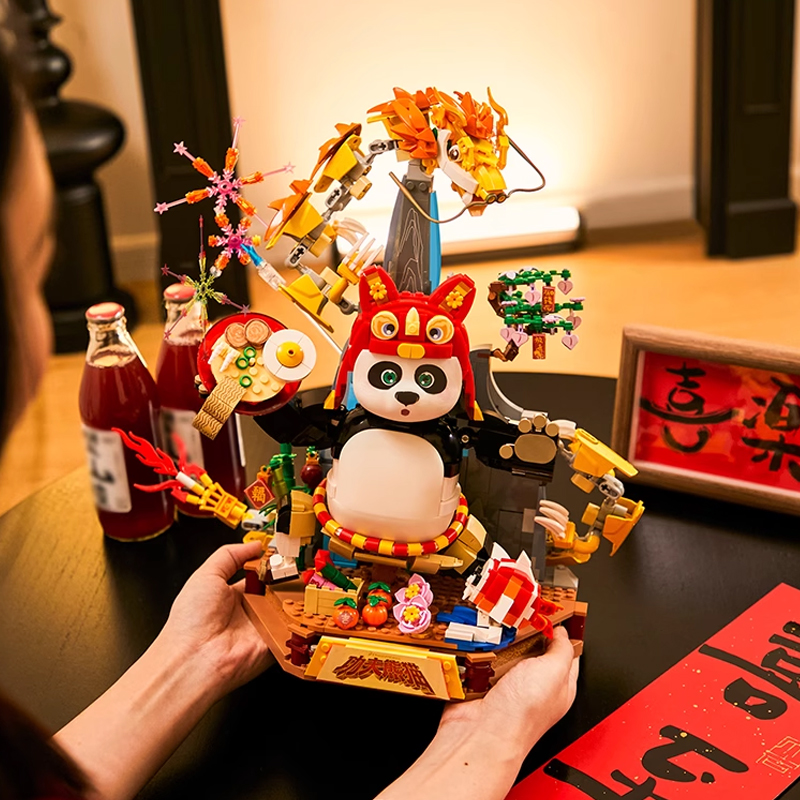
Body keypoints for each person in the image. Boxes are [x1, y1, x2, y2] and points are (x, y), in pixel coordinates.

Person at [0, 34, 578, 800]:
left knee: (481, 563)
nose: (407, 393)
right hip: (340, 543)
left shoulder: (455, 422)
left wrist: (192, 657)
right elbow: (299, 429)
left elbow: (498, 444)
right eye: (37, 262)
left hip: (442, 544)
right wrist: (260, 394)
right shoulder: (345, 415)